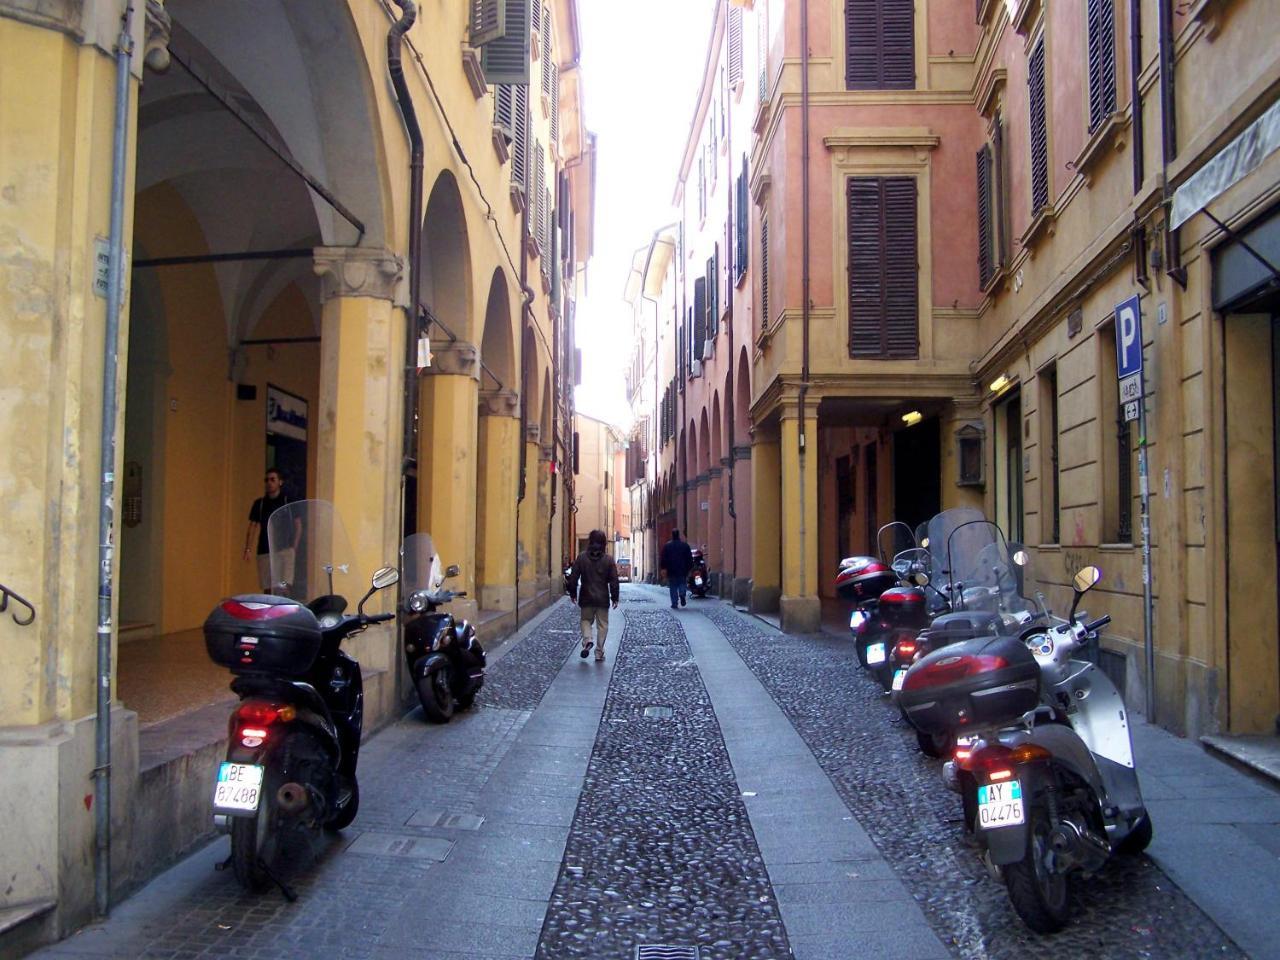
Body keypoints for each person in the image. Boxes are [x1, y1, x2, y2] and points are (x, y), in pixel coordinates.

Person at [565, 529, 620, 662]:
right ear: (604, 543)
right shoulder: (608, 560)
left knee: (585, 621)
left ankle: (588, 639)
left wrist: (572, 593)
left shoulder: (582, 557)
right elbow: (614, 580)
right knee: (603, 625)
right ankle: (599, 652)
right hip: (602, 598)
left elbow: (573, 577)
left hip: (586, 596)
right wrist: (615, 597)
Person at [243, 468, 299, 594]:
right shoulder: (260, 504)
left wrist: (294, 545)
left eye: (272, 479)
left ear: (280, 482)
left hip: (285, 548)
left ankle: (286, 612)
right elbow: (252, 526)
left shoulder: (287, 501)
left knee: (284, 587)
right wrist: (248, 549)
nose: (269, 482)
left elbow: (298, 523)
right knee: (268, 588)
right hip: (265, 549)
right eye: (266, 480)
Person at [660, 529, 694, 610]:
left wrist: (663, 568)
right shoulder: (685, 546)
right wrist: (689, 568)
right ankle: (682, 594)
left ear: (672, 535)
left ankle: (674, 603)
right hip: (682, 569)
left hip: (671, 570)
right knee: (682, 583)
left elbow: (663, 559)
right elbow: (689, 558)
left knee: (673, 587)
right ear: (679, 535)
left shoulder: (667, 546)